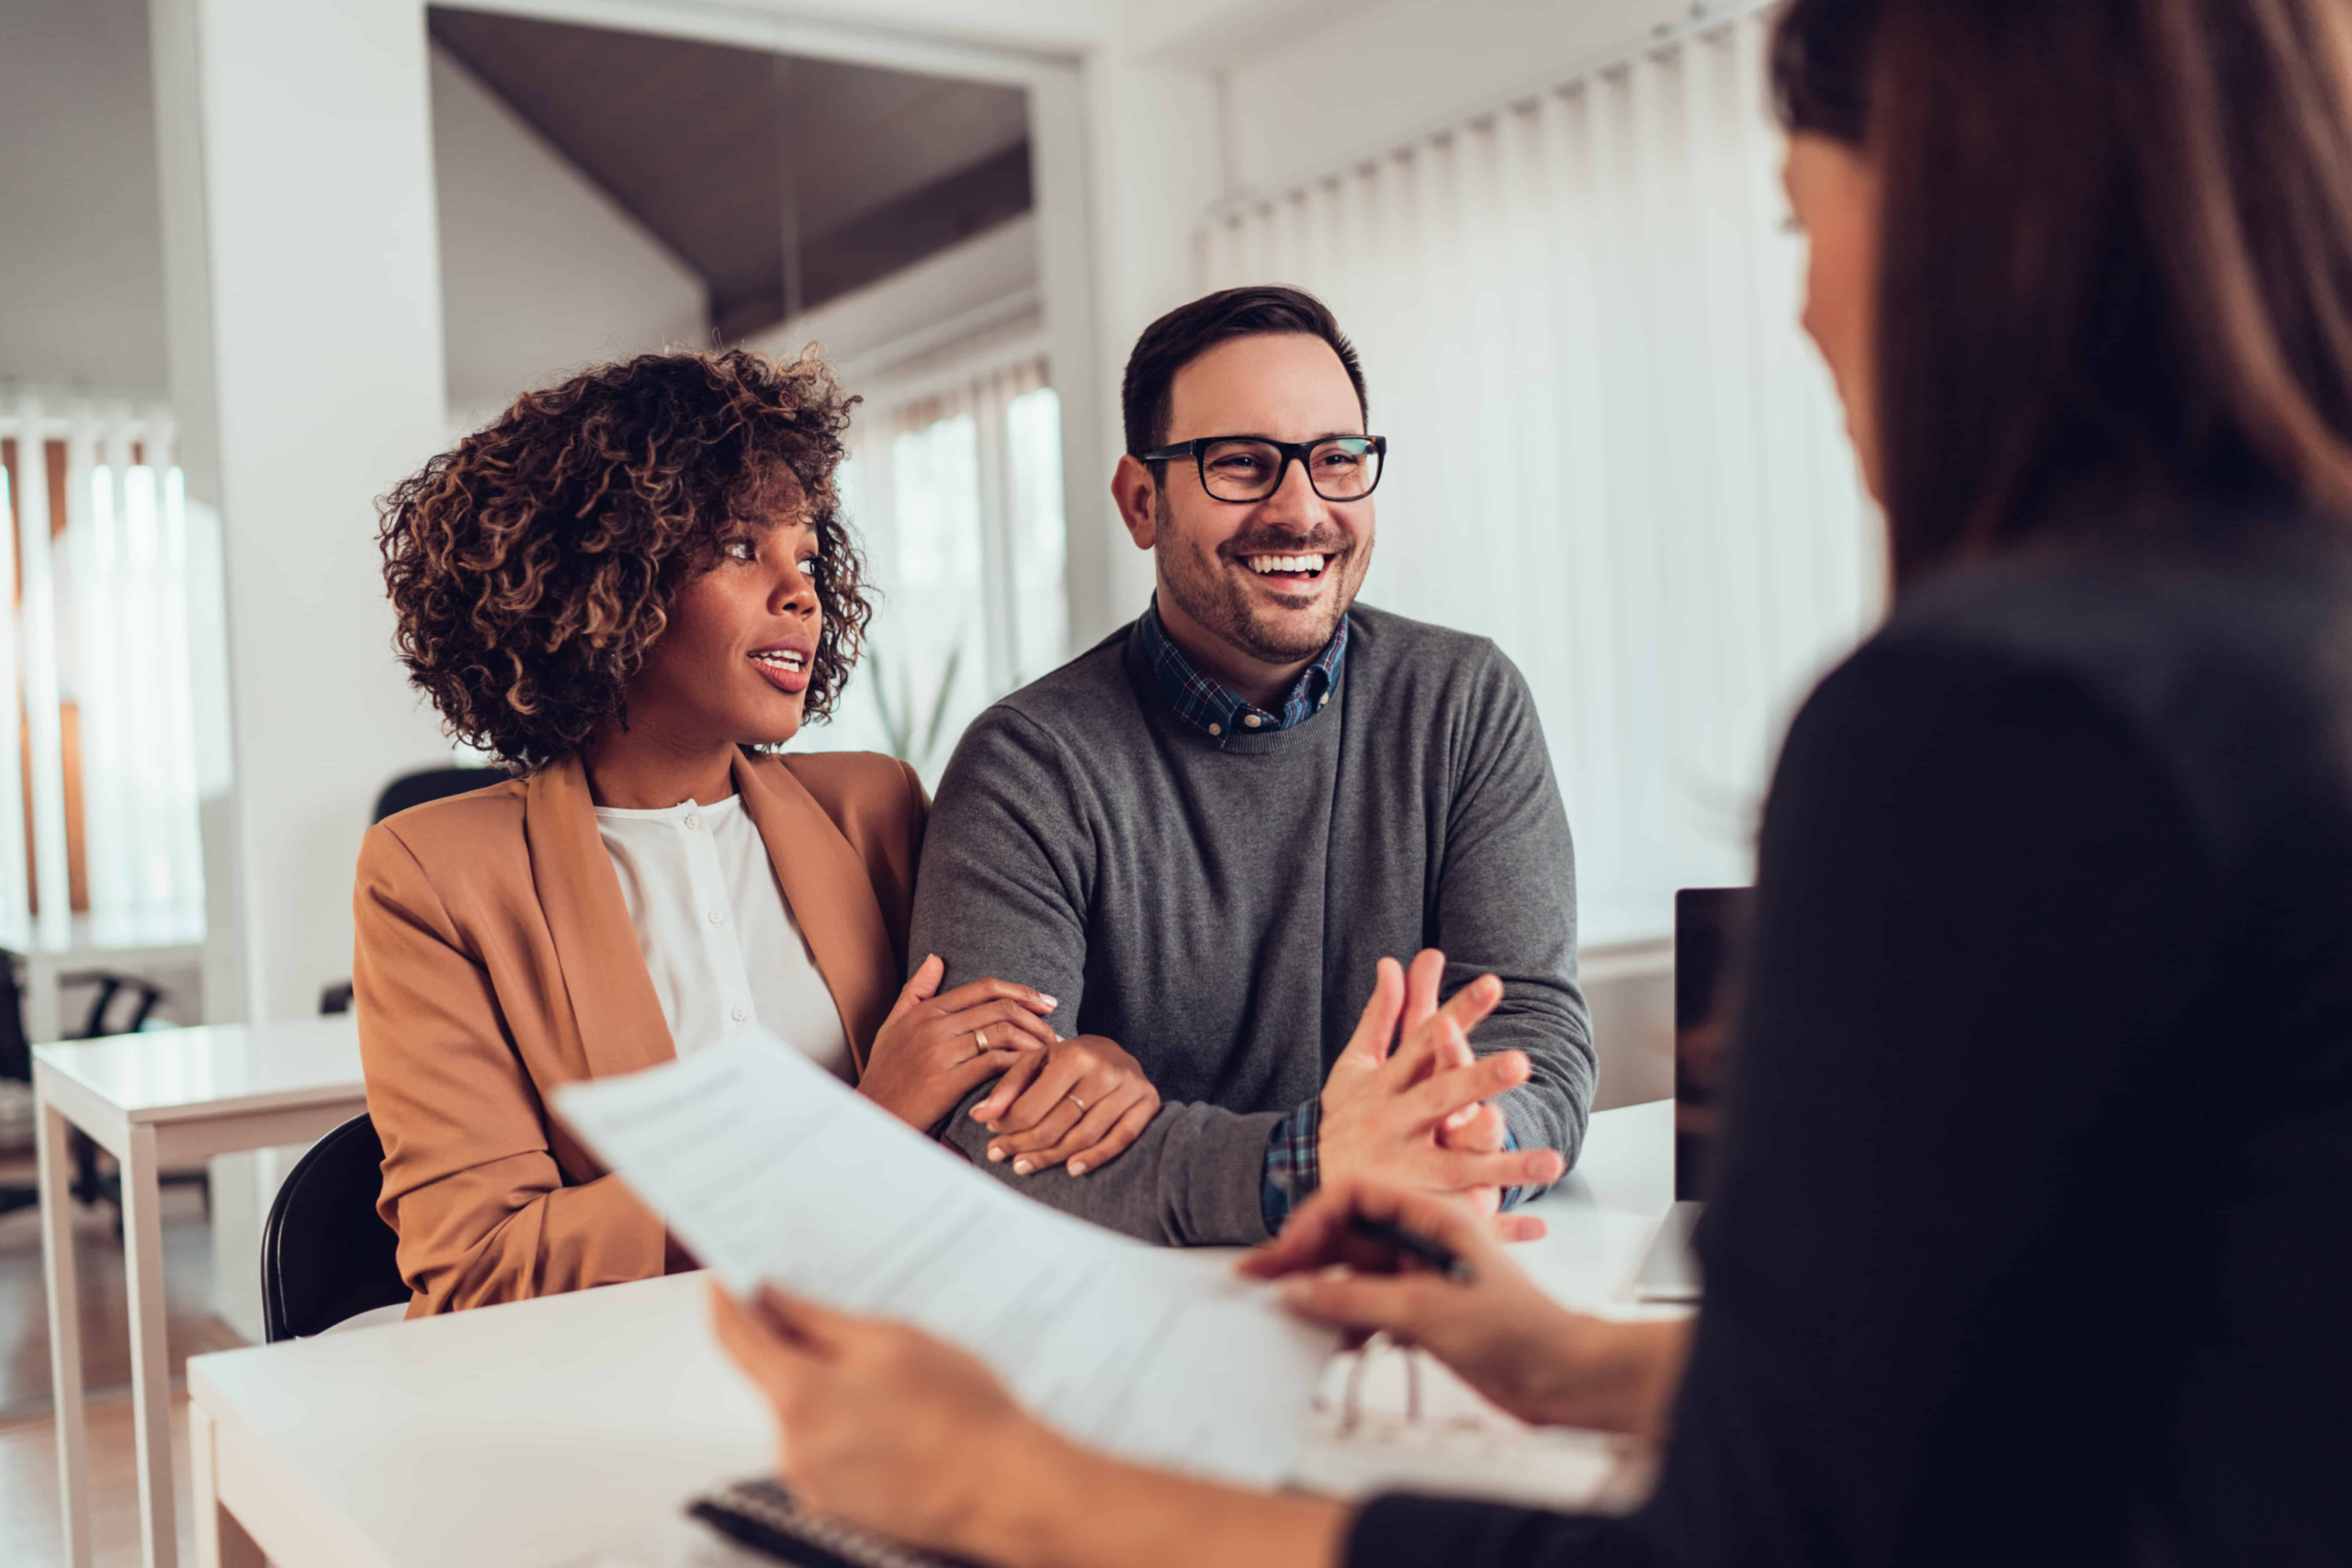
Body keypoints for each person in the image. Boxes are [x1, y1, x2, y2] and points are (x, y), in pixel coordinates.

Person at [707, 0, 2352, 1561]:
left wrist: (1018, 1492)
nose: (1798, 307)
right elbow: (2084, 1392)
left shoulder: (1997, 713)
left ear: (1963, 220)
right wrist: (1558, 1353)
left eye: (1798, 223)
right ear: (1142, 500)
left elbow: (1764, 1523)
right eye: (1240, 464)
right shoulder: (2279, 648)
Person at [356, 349, 1138, 1315]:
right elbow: (481, 1268)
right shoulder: (436, 874)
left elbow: (999, 1097)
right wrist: (860, 1126)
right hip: (620, 1395)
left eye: (806, 555)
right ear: (603, 580)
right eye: (738, 548)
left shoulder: (876, 809)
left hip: (906, 1350)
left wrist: (1101, 1067)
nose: (800, 590)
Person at [908, 286, 1591, 1245]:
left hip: (1422, 1272)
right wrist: (1310, 1172)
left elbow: (1535, 1040)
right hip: (1131, 1325)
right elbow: (996, 1126)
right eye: (1240, 465)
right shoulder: (1026, 766)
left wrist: (1453, 1153)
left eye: (1337, 461)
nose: (1301, 510)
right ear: (1141, 502)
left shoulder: (1465, 702)